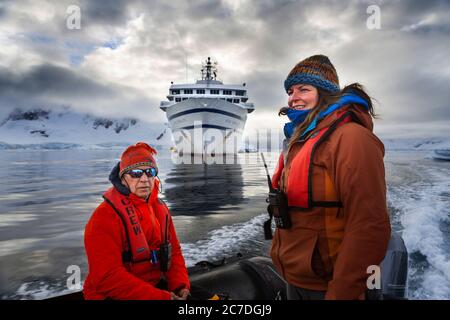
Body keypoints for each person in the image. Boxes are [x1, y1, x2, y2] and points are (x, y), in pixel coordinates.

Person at [269, 54, 391, 300]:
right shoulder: (299, 141)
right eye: (290, 91)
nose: (293, 98)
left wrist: (342, 292)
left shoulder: (352, 138)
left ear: (325, 93)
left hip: (330, 285)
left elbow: (370, 224)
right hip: (296, 277)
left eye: (304, 89)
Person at [83, 142, 190, 300]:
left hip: (152, 287)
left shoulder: (160, 209)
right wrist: (160, 297)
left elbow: (173, 252)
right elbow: (106, 278)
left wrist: (180, 285)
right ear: (123, 178)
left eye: (150, 172)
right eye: (136, 173)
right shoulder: (104, 217)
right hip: (111, 295)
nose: (145, 179)